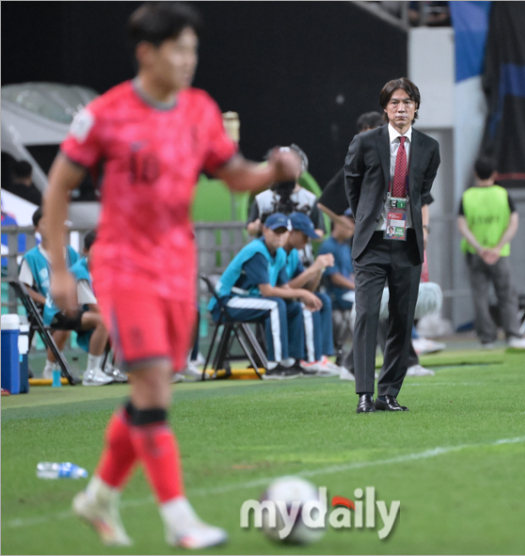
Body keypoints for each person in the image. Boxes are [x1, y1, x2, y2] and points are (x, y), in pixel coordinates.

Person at [42, 3, 303, 549]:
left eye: (193, 49)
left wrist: (271, 171)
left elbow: (233, 174)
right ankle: (179, 518)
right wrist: (61, 269)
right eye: (178, 49)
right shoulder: (106, 114)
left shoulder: (200, 110)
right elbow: (58, 186)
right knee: (155, 386)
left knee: (150, 394)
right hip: (124, 264)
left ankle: (97, 497)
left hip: (174, 265)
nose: (188, 60)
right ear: (146, 53)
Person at [344, 77, 440, 414]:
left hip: (407, 242)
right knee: (368, 314)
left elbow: (422, 189)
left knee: (402, 319)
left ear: (416, 108)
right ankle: (364, 394)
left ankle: (388, 393)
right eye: (395, 103)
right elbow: (352, 182)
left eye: (408, 103)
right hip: (372, 241)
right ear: (385, 108)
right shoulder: (366, 142)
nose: (401, 109)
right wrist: (366, 218)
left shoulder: (429, 147)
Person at [208, 213, 322, 378]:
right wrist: (302, 292)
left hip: (247, 301)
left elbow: (284, 288)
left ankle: (294, 361)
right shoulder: (257, 251)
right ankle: (274, 365)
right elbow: (267, 291)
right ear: (265, 230)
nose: (279, 236)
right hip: (226, 302)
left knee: (294, 307)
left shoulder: (280, 253)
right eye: (276, 231)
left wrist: (302, 296)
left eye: (283, 232)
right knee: (275, 304)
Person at [457, 157, 525, 350]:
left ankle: (487, 338)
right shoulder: (503, 194)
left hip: (476, 253)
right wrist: (498, 247)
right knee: (506, 295)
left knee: (479, 296)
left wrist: (480, 248)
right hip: (500, 254)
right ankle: (513, 335)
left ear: (475, 174)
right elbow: (513, 222)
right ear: (495, 174)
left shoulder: (467, 196)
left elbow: (462, 225)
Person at [19, 207, 80, 378]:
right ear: (36, 229)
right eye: (44, 223)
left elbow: (79, 280)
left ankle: (98, 368)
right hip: (42, 309)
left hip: (70, 305)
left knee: (100, 318)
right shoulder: (31, 257)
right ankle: (50, 367)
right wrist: (47, 302)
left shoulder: (70, 253)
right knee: (68, 320)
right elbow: (24, 288)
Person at [63, 231, 128, 385]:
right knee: (106, 320)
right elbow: (94, 307)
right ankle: (91, 372)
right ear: (86, 251)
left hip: (79, 312)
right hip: (60, 313)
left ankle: (106, 367)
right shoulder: (80, 271)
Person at [283, 212, 341, 376]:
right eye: (304, 236)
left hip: (287, 298)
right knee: (309, 305)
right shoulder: (280, 251)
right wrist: (314, 268)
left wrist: (320, 270)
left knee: (322, 299)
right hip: (273, 298)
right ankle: (310, 359)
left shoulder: (294, 252)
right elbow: (285, 287)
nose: (307, 241)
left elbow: (308, 289)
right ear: (292, 232)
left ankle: (322, 356)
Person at [246, 144, 325, 240]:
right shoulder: (261, 199)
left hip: (300, 253)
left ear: (300, 169)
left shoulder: (310, 199)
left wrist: (303, 232)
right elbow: (250, 228)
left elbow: (320, 232)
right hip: (270, 253)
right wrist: (257, 226)